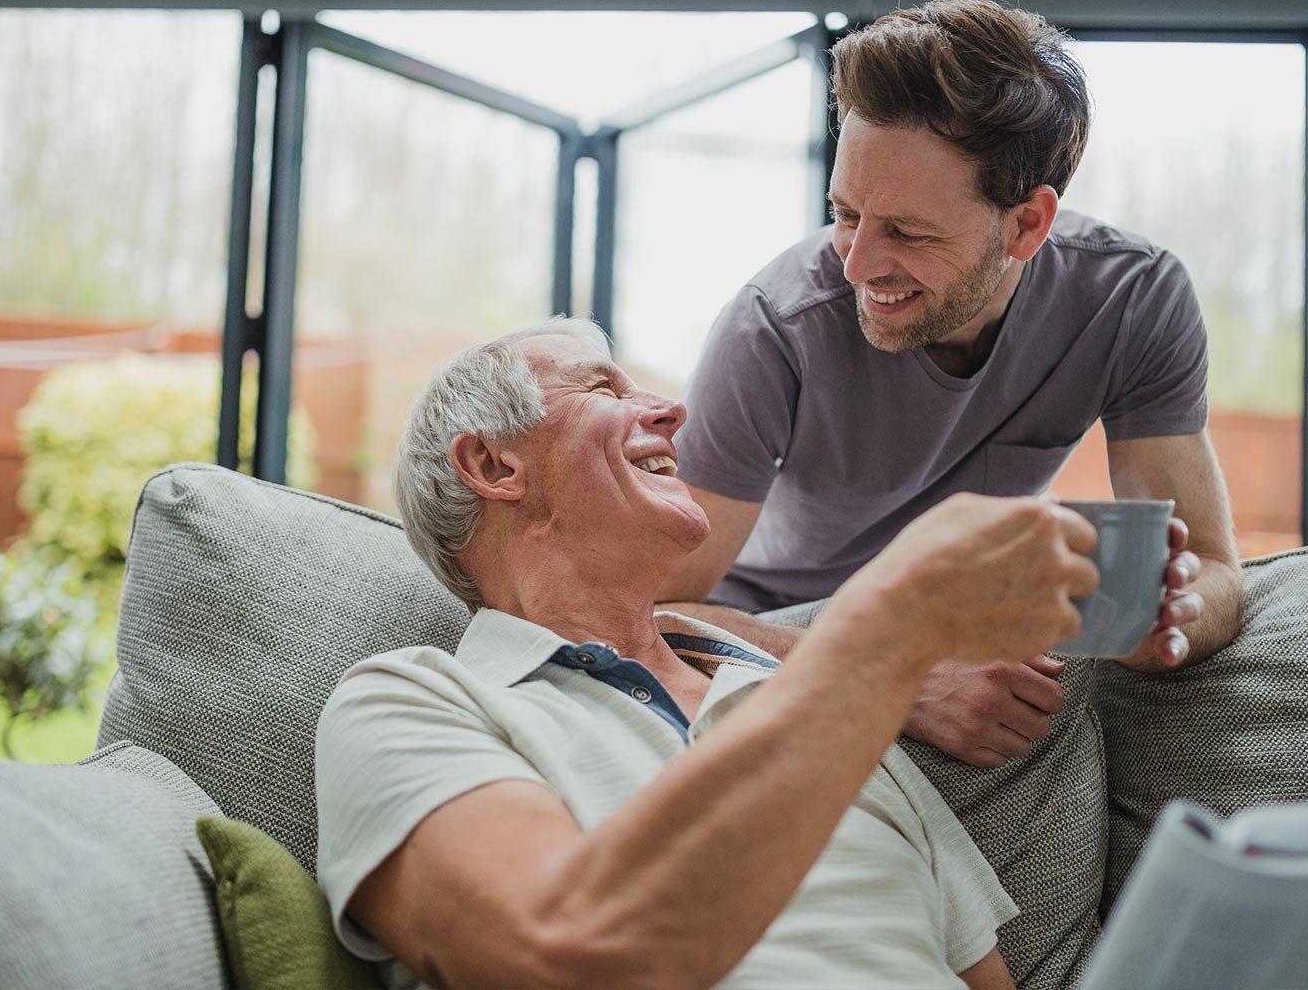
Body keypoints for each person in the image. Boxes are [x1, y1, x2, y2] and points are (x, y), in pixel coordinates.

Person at [315, 318, 1103, 990]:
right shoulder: (409, 702)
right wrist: (887, 625)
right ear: (493, 466)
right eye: (604, 390)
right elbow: (561, 956)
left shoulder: (818, 703)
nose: (673, 412)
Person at [657, 0, 1241, 768]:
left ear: (1027, 225)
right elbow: (651, 611)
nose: (857, 265)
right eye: (845, 214)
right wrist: (895, 671)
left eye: (906, 231)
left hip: (960, 618)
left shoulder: (1132, 298)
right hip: (783, 628)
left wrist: (1154, 621)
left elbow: (1215, 571)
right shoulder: (772, 328)